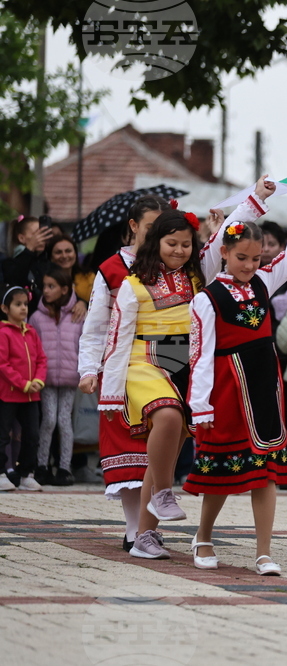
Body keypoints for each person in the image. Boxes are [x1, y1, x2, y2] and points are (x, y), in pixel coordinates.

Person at [99, 188, 261, 559]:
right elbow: (116, 341)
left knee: (169, 448)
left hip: (185, 364)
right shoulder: (132, 285)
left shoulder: (196, 276)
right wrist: (110, 394)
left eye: (186, 245)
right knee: (168, 418)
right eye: (171, 243)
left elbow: (226, 238)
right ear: (155, 242)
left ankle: (144, 536)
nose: (179, 250)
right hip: (143, 361)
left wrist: (256, 198)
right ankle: (162, 493)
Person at [182, 182, 287, 575]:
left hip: (265, 384)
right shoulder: (207, 298)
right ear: (224, 253)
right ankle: (203, 535)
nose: (250, 265)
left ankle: (263, 551)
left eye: (255, 257)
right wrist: (200, 405)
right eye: (241, 257)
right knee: (221, 471)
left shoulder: (265, 282)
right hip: (228, 388)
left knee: (266, 470)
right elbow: (199, 356)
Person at [78, 195, 171, 550]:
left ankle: (147, 528)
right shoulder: (111, 268)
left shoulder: (171, 265)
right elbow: (96, 325)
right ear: (133, 226)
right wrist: (89, 368)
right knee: (129, 452)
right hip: (119, 369)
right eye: (151, 227)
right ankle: (135, 530)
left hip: (161, 367)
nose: (158, 235)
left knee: (157, 452)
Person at [29, 267, 84, 486]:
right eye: (44, 286)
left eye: (51, 287)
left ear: (64, 289)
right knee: (49, 420)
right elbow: (32, 349)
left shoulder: (79, 315)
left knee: (64, 421)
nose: (46, 291)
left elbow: (84, 344)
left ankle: (64, 467)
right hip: (46, 378)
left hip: (70, 378)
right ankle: (42, 465)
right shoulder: (37, 317)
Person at [0, 286, 47, 491]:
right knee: (3, 435)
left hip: (31, 396)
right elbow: (3, 365)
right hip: (9, 395)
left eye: (25, 304)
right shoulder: (3, 333)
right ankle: (1, 473)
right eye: (17, 304)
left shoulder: (32, 333)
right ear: (5, 308)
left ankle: (27, 473)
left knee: (33, 436)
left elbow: (42, 359)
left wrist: (38, 380)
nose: (23, 308)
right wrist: (24, 384)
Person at [2, 215, 54, 313]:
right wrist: (29, 249)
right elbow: (15, 278)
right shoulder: (9, 262)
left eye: (43, 233)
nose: (41, 238)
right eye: (36, 234)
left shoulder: (46, 262)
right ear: (21, 238)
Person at [48, 236, 96, 309]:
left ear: (75, 254)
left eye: (68, 251)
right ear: (51, 257)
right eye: (58, 252)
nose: (64, 256)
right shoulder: (46, 281)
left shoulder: (89, 277)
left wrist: (84, 304)